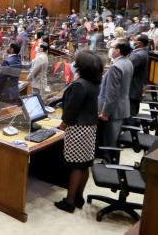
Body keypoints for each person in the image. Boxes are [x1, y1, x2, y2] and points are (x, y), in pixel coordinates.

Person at [55, 51, 103, 213]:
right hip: (90, 127)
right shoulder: (94, 82)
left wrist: (61, 127)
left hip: (77, 128)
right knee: (85, 164)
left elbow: (71, 111)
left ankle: (69, 202)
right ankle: (78, 197)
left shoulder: (79, 85)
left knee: (76, 166)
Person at [98, 40, 133, 161]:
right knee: (113, 138)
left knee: (109, 140)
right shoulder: (128, 63)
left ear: (118, 51)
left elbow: (111, 94)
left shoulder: (116, 67)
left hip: (113, 110)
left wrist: (105, 112)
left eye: (113, 48)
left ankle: (108, 165)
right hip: (122, 106)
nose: (111, 50)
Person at [128, 34, 149, 117]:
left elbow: (128, 69)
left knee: (130, 114)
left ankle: (130, 129)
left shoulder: (138, 55)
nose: (133, 41)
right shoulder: (143, 52)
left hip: (133, 88)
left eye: (135, 40)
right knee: (133, 110)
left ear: (139, 43)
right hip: (136, 87)